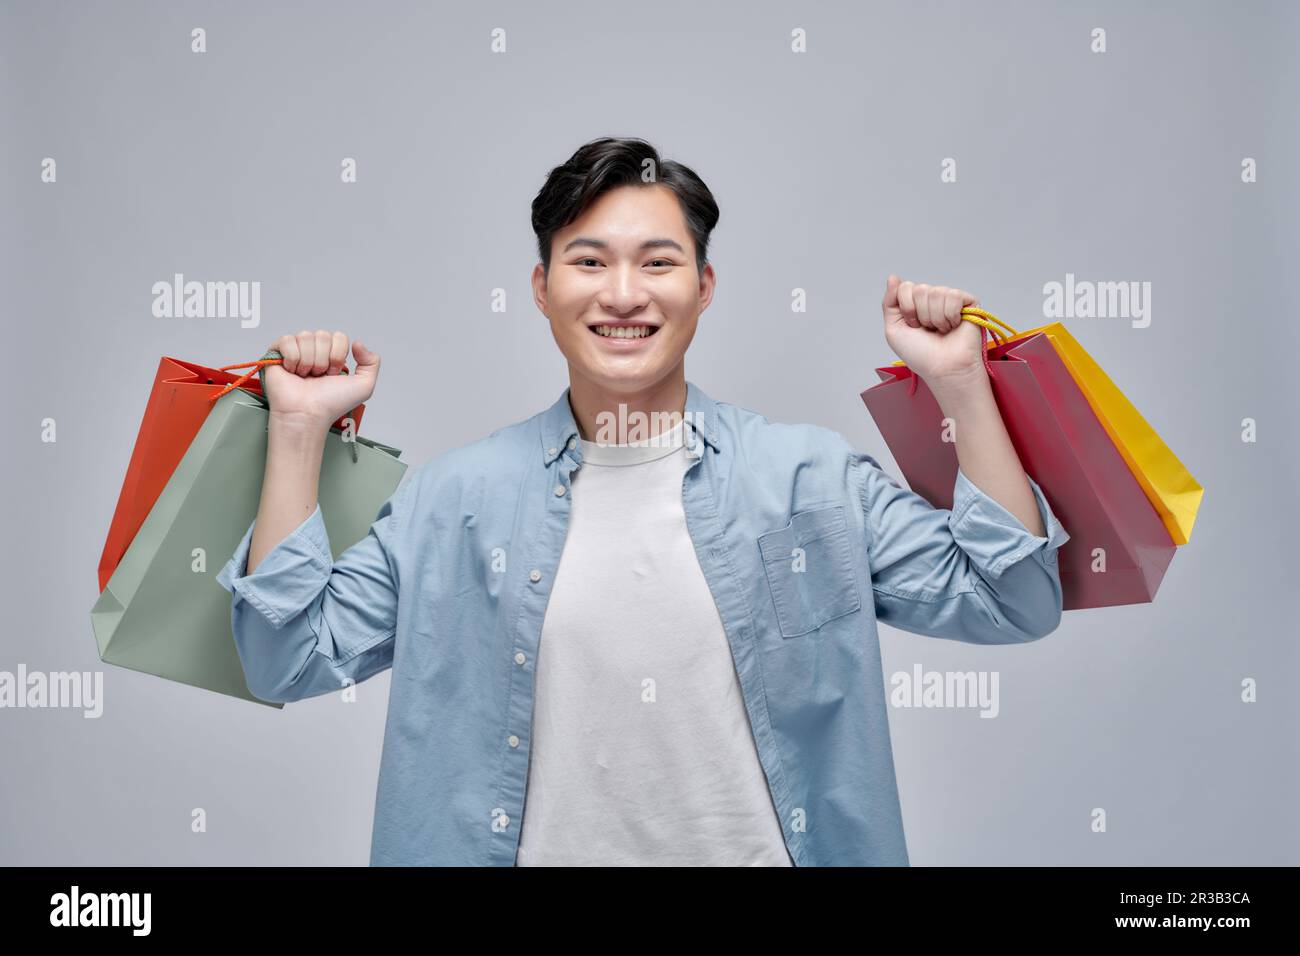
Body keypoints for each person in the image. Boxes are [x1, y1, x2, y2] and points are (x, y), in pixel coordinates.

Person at [217, 136, 1070, 866]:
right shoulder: (455, 500)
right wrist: (297, 430)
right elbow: (285, 657)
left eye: (657, 263)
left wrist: (960, 383)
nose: (623, 294)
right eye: (588, 261)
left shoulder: (809, 479)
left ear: (703, 287)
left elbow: (1013, 599)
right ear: (542, 287)